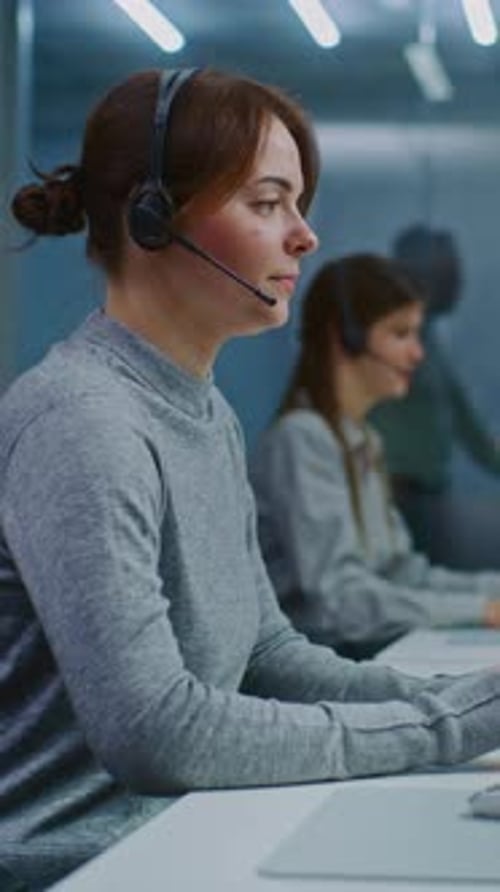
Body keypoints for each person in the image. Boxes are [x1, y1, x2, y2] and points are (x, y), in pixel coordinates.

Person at [3, 68, 500, 891]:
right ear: (153, 219)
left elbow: (267, 654)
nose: (304, 236)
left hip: (189, 833)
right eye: (267, 204)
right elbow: (156, 732)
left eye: (296, 205)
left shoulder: (205, 414)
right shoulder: (79, 420)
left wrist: (465, 702)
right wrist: (450, 723)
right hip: (85, 862)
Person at [250, 254, 500, 660]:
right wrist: (480, 609)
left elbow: (403, 574)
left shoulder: (362, 441)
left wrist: (492, 595)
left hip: (361, 651)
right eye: (401, 334)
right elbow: (339, 603)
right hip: (320, 666)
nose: (418, 354)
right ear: (346, 337)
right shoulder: (302, 441)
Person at [371, 224, 500, 565]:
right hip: (391, 500)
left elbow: (469, 429)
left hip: (426, 499)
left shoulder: (428, 342)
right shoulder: (381, 337)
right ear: (423, 276)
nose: (460, 283)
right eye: (450, 272)